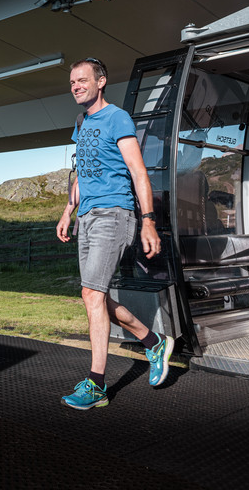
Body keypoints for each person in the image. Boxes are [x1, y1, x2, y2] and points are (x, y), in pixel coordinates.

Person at [56, 58, 174, 410]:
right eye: (73, 82)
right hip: (88, 217)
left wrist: (148, 221)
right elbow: (82, 172)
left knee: (92, 295)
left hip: (115, 213)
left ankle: (96, 384)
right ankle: (153, 341)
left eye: (83, 80)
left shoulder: (117, 118)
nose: (76, 86)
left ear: (101, 81)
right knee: (94, 296)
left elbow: (139, 172)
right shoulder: (81, 123)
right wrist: (67, 210)